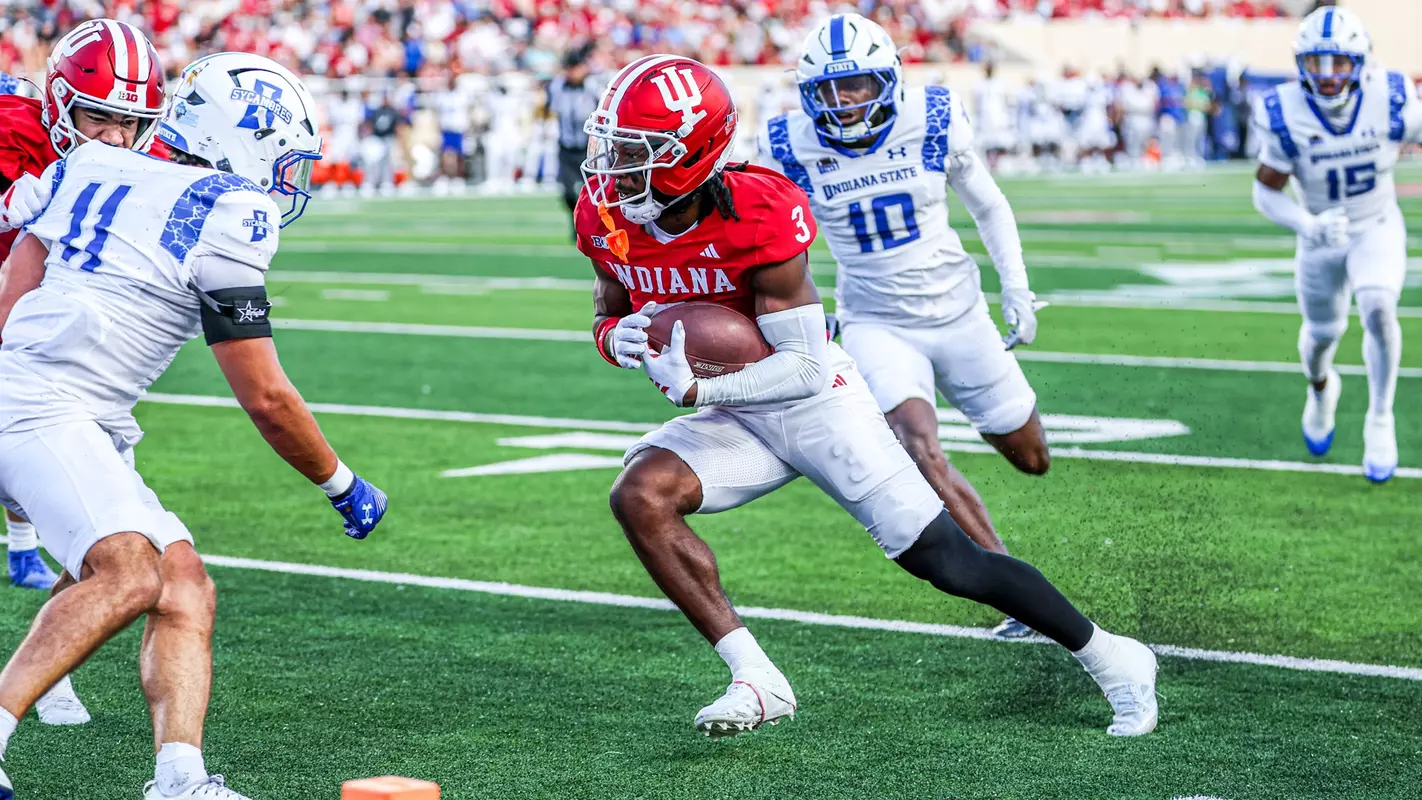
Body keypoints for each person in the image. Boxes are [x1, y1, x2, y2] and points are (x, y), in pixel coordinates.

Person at [577, 53, 1158, 740]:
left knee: (948, 561)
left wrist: (704, 384)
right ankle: (756, 678)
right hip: (733, 412)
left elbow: (806, 368)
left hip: (814, 401)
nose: (612, 165)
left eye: (636, 151)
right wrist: (620, 342)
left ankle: (1115, 657)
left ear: (693, 152)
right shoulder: (604, 213)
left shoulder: (759, 211)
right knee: (638, 495)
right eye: (611, 145)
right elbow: (607, 314)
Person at [0, 52, 389, 799]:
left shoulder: (88, 164)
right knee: (130, 571)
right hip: (45, 406)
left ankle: (180, 779)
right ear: (240, 139)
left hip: (56, 402)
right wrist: (340, 483)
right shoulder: (231, 209)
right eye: (282, 158)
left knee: (184, 587)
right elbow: (265, 395)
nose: (286, 180)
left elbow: (17, 280)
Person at [761, 14, 1057, 637]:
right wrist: (805, 311)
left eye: (858, 87)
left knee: (1031, 457)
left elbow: (989, 207)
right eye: (829, 91)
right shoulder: (790, 144)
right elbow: (773, 242)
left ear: (888, 81)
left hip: (960, 313)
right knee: (916, 447)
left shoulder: (934, 118)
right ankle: (1015, 593)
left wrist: (1019, 291)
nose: (843, 104)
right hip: (875, 320)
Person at [0, 17, 173, 728]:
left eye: (129, 123)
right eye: (98, 116)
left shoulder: (150, 152)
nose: (113, 138)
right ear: (61, 103)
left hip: (60, 358)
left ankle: (47, 670)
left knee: (109, 528)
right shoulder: (14, 127)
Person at [1250, 6, 1420, 483]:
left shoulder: (1389, 95)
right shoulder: (1284, 111)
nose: (1326, 76)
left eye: (1339, 62)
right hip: (1321, 234)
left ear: (1360, 61)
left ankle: (1380, 417)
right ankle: (1321, 390)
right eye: (1316, 62)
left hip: (1376, 223)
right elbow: (1265, 189)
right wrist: (1308, 223)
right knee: (1322, 335)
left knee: (1379, 307)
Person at [547, 43, 600, 228]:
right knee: (569, 193)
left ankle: (597, 227)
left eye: (575, 68)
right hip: (567, 148)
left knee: (597, 191)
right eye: (569, 68)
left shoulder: (593, 87)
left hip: (590, 149)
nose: (572, 72)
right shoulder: (557, 87)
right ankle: (577, 224)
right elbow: (552, 109)